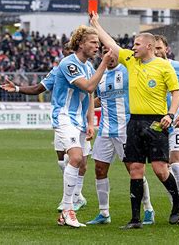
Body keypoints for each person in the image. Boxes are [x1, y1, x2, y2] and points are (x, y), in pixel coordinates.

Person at [90, 12, 179, 230]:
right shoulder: (131, 61)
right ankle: (135, 219)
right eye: (133, 44)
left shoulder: (163, 66)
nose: (133, 47)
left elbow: (176, 93)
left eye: (137, 44)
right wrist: (96, 24)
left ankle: (177, 201)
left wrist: (170, 114)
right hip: (134, 122)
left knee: (160, 170)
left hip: (156, 122)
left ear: (149, 47)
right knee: (135, 169)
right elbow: (110, 43)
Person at [0, 54, 91, 212]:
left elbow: (92, 92)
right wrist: (17, 88)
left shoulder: (89, 68)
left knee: (80, 161)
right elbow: (37, 89)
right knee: (64, 159)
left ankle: (76, 197)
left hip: (81, 121)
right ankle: (70, 200)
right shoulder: (59, 69)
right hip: (65, 120)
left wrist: (90, 122)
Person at [86, 46, 155, 226]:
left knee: (134, 170)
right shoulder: (98, 75)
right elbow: (101, 98)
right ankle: (104, 213)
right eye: (106, 53)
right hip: (105, 131)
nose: (110, 56)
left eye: (113, 52)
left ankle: (148, 209)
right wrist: (86, 108)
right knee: (100, 170)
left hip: (126, 130)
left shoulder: (127, 71)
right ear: (102, 55)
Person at [52, 25, 111, 227]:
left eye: (98, 43)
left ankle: (73, 202)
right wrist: (104, 63)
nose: (97, 46)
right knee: (75, 157)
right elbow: (88, 86)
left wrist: (90, 123)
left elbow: (89, 96)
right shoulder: (69, 64)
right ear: (80, 44)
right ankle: (68, 209)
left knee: (83, 164)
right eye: (93, 42)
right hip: (64, 116)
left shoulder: (87, 67)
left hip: (78, 120)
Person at [154, 35, 179, 224]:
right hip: (158, 126)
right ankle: (176, 206)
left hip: (178, 124)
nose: (157, 52)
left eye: (159, 48)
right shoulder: (147, 69)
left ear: (166, 48)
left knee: (176, 164)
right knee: (164, 169)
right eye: (153, 48)